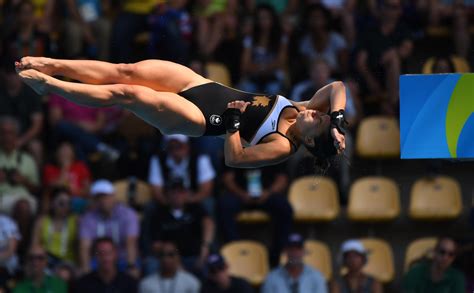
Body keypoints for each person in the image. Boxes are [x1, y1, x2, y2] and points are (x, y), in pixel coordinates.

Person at [16, 56, 347, 168]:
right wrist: (338, 122)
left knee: (128, 94)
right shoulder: (302, 109)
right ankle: (54, 64)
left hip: (201, 120)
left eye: (320, 123)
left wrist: (233, 126)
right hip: (201, 84)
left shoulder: (283, 145)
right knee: (126, 70)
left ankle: (50, 85)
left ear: (311, 142)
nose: (319, 115)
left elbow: (235, 159)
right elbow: (336, 88)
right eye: (323, 116)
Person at [218, 162, 293, 266]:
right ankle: (234, 250)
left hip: (267, 195)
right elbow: (227, 178)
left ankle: (277, 254)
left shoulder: (274, 148)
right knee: (224, 205)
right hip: (240, 194)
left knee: (284, 208)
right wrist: (241, 194)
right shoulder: (235, 147)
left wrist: (268, 193)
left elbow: (282, 179)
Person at [142, 178, 214, 276]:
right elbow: (156, 245)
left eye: (181, 192)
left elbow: (208, 224)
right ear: (167, 195)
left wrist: (204, 250)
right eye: (173, 192)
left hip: (195, 256)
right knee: (151, 264)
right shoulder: (158, 213)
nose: (177, 196)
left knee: (211, 264)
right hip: (168, 258)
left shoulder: (195, 208)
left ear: (186, 193)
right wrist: (175, 259)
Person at [79, 179, 140, 277]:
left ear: (113, 196)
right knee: (84, 273)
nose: (102, 201)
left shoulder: (128, 214)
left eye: (106, 196)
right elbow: (84, 247)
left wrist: (131, 265)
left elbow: (131, 243)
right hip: (98, 259)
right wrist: (86, 269)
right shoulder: (88, 218)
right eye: (98, 197)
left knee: (133, 272)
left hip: (123, 258)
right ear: (94, 200)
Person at [147, 134, 215, 210]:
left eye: (179, 146)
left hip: (193, 200)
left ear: (187, 146)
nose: (175, 151)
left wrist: (188, 199)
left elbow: (206, 190)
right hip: (168, 201)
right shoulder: (157, 159)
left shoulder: (201, 159)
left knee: (208, 203)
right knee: (151, 206)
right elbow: (156, 191)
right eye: (171, 147)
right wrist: (171, 201)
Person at [262, 233, 328, 293]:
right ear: (285, 251)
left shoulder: (316, 276)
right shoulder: (272, 278)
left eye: (298, 249)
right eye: (291, 249)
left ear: (303, 251)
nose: (295, 253)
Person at [0, 116, 39, 215]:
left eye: (11, 133)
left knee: (23, 206)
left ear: (16, 136)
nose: (7, 137)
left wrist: (24, 181)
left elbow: (37, 190)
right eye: (3, 133)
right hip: (2, 197)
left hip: (22, 199)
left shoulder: (27, 159)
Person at [72, 237, 138, 293]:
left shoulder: (129, 283)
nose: (105, 258)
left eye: (108, 253)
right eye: (101, 253)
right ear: (95, 256)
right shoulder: (82, 284)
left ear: (115, 254)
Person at [31, 187, 78, 266]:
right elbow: (34, 246)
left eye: (69, 203)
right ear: (52, 204)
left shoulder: (76, 221)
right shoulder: (41, 221)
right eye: (61, 203)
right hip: (45, 262)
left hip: (67, 264)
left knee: (63, 274)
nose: (66, 207)